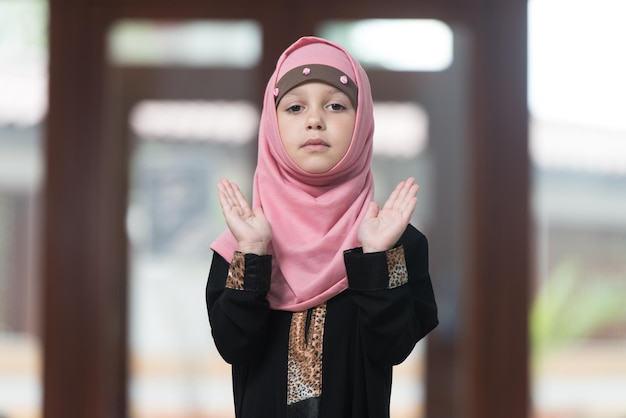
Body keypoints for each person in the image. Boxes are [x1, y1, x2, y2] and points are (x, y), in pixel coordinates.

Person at [206, 36, 438, 418]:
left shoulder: (395, 242)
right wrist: (252, 253)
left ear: (362, 122)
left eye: (335, 105)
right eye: (295, 107)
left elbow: (392, 348)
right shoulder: (240, 245)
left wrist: (376, 258)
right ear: (272, 123)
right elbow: (234, 346)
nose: (315, 119)